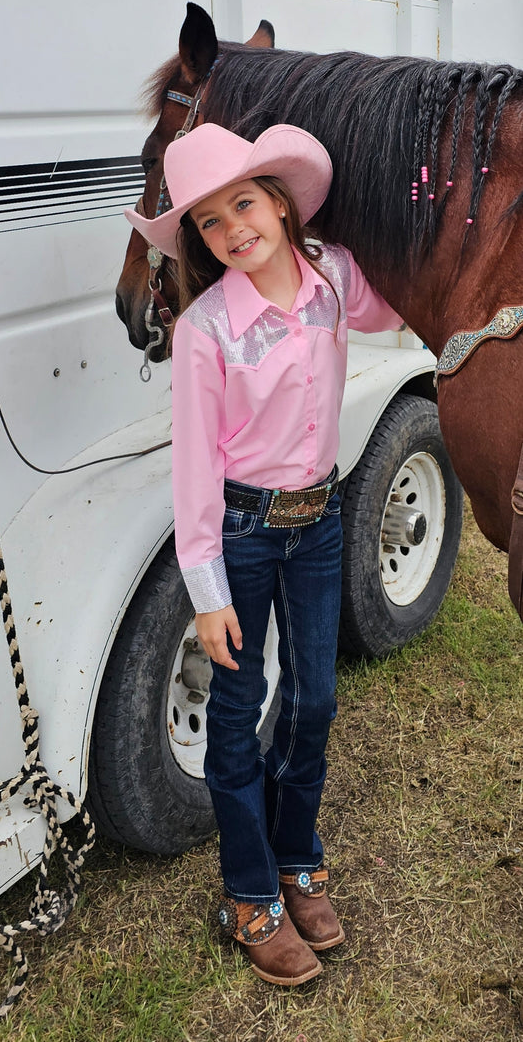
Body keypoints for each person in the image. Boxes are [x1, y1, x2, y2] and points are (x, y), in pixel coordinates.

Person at [126, 122, 402, 987]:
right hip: (243, 538)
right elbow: (195, 469)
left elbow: (392, 302)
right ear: (198, 241)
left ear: (280, 203)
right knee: (239, 712)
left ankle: (296, 856)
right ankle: (249, 894)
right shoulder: (208, 328)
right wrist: (207, 590)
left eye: (244, 203)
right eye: (208, 222)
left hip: (318, 526)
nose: (232, 229)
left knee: (314, 700)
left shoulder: (333, 280)